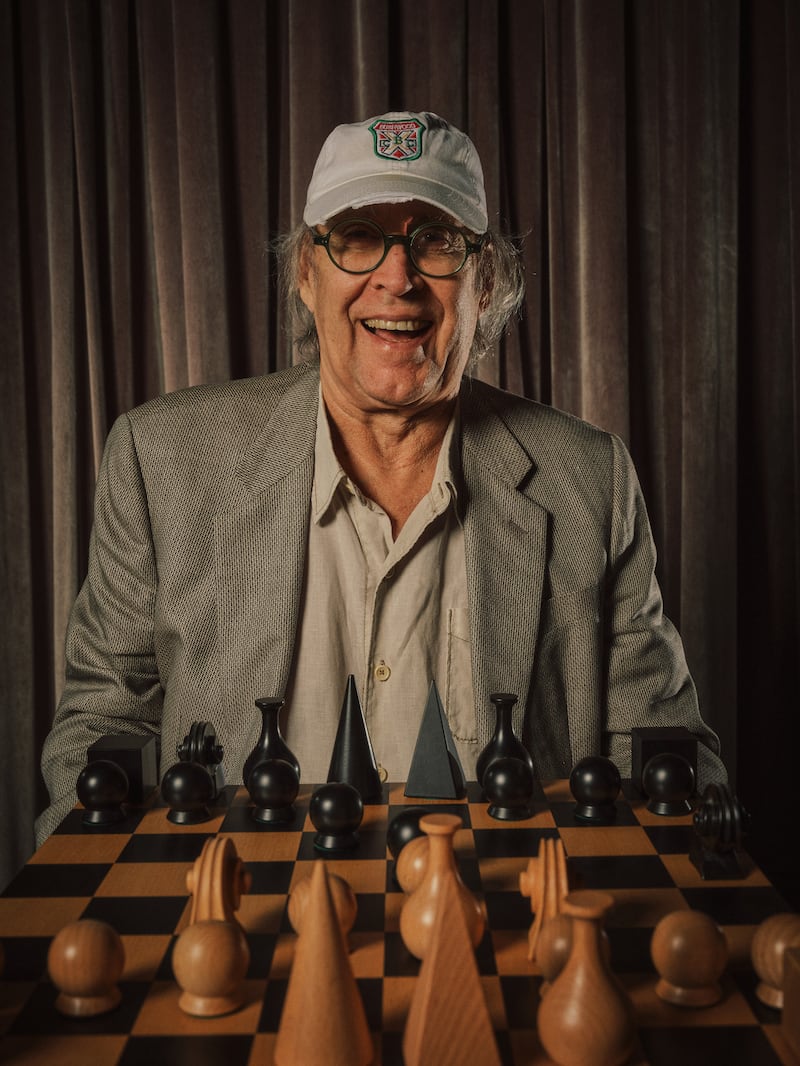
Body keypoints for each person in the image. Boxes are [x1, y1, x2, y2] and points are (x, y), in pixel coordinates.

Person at [36, 111, 725, 842]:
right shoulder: (161, 460)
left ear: (484, 280)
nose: (396, 279)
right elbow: (101, 732)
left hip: (503, 931)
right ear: (307, 271)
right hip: (238, 930)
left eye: (435, 241)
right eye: (358, 237)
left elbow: (665, 756)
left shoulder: (589, 480)